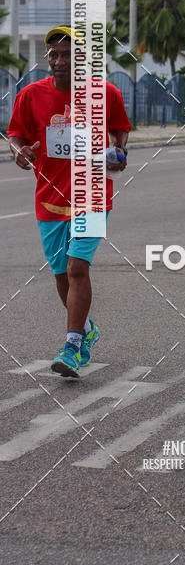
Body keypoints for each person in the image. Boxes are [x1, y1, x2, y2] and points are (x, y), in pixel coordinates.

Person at [7, 26, 131, 378]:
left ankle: (73, 346)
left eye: (69, 54)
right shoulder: (31, 95)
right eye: (54, 54)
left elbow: (120, 130)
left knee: (78, 268)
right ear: (47, 58)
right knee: (61, 274)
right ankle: (87, 328)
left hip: (92, 195)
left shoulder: (106, 93)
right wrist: (21, 151)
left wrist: (119, 152)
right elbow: (15, 134)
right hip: (50, 198)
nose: (60, 61)